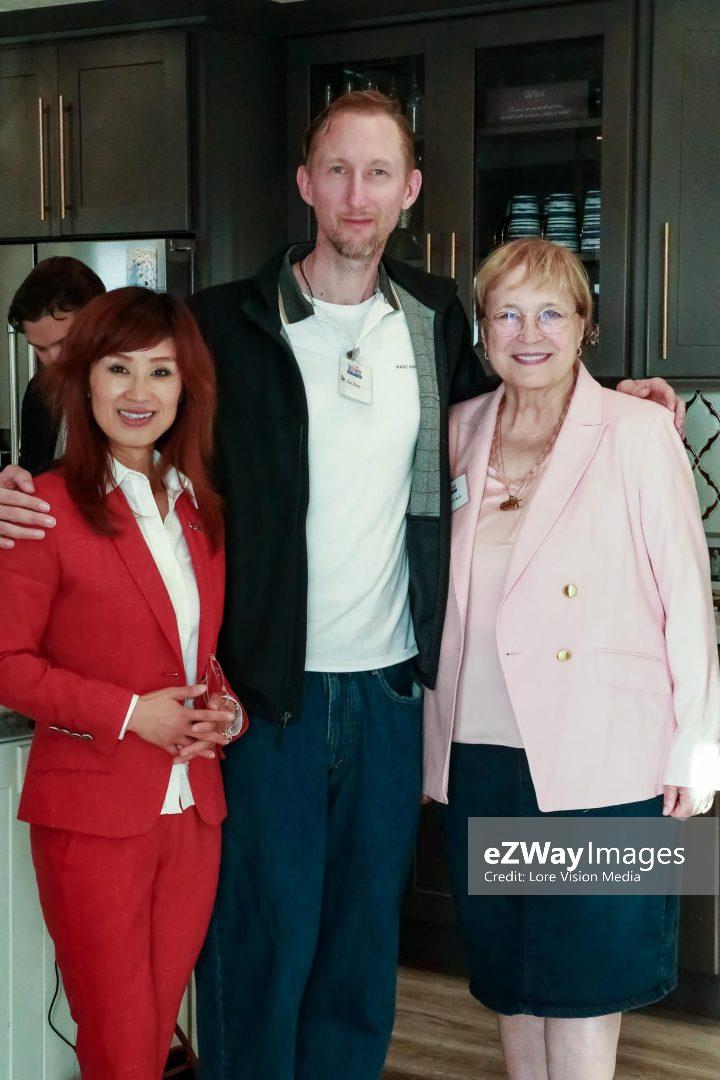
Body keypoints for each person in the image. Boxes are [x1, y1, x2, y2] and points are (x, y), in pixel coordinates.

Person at [0, 93, 686, 1078]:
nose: (356, 194)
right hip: (264, 697)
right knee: (262, 954)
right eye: (337, 170)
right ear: (306, 184)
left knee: (362, 964)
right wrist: (27, 481)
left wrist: (618, 396)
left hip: (397, 698)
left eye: (378, 173)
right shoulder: (224, 323)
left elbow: (529, 377)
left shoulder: (436, 320)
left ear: (410, 190)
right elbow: (121, 408)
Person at [423, 238, 720, 1080]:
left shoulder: (638, 429)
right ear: (483, 329)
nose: (529, 334)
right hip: (480, 754)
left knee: (587, 986)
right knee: (512, 980)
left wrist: (698, 756)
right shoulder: (458, 429)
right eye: (508, 314)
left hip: (605, 761)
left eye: (551, 313)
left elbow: (686, 597)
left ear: (585, 326)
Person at [0, 287, 246, 1080]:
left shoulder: (199, 510)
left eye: (161, 371)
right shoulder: (40, 508)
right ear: (84, 379)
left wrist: (224, 709)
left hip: (193, 813)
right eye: (118, 368)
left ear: (186, 388)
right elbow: (7, 663)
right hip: (92, 816)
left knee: (153, 1034)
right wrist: (131, 714)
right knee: (117, 1040)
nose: (140, 392)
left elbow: (194, 654)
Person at [8, 255, 105, 475]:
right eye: (40, 348)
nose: (54, 361)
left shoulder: (131, 390)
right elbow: (32, 469)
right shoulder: (40, 390)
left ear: (99, 324)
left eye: (65, 343)